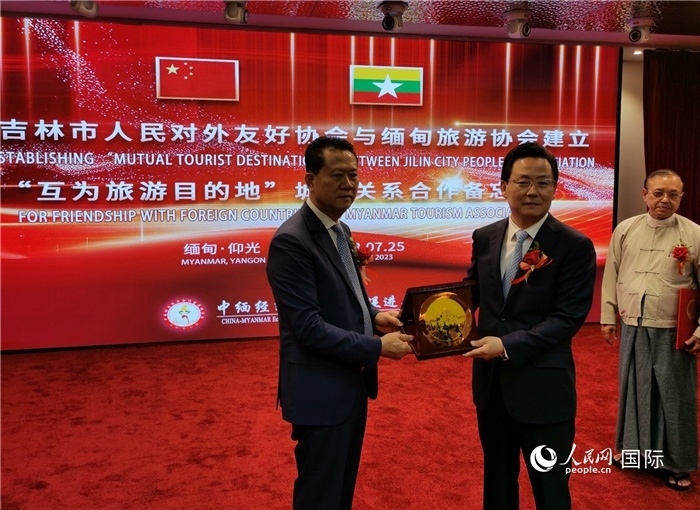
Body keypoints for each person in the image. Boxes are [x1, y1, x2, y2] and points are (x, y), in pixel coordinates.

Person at [266, 136, 414, 509]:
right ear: (310, 180)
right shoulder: (292, 241)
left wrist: (375, 316)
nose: (348, 184)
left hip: (350, 383)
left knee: (340, 488)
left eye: (353, 175)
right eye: (337, 175)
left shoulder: (339, 230)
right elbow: (308, 328)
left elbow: (346, 297)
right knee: (321, 494)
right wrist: (377, 347)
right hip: (320, 390)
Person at [463, 142, 597, 509]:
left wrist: (507, 346)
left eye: (543, 182)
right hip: (491, 388)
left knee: (551, 491)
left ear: (555, 187)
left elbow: (567, 319)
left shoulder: (574, 245)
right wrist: (423, 317)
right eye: (523, 182)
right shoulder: (485, 237)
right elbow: (471, 293)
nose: (533, 191)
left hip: (544, 390)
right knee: (498, 484)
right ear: (504, 187)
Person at [600, 169, 700, 491]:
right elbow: (612, 273)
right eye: (658, 193)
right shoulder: (626, 229)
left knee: (675, 396)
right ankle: (634, 453)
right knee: (635, 390)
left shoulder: (694, 234)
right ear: (645, 194)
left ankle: (677, 463)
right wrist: (607, 315)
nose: (664, 200)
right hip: (634, 323)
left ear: (681, 197)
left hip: (674, 328)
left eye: (672, 194)